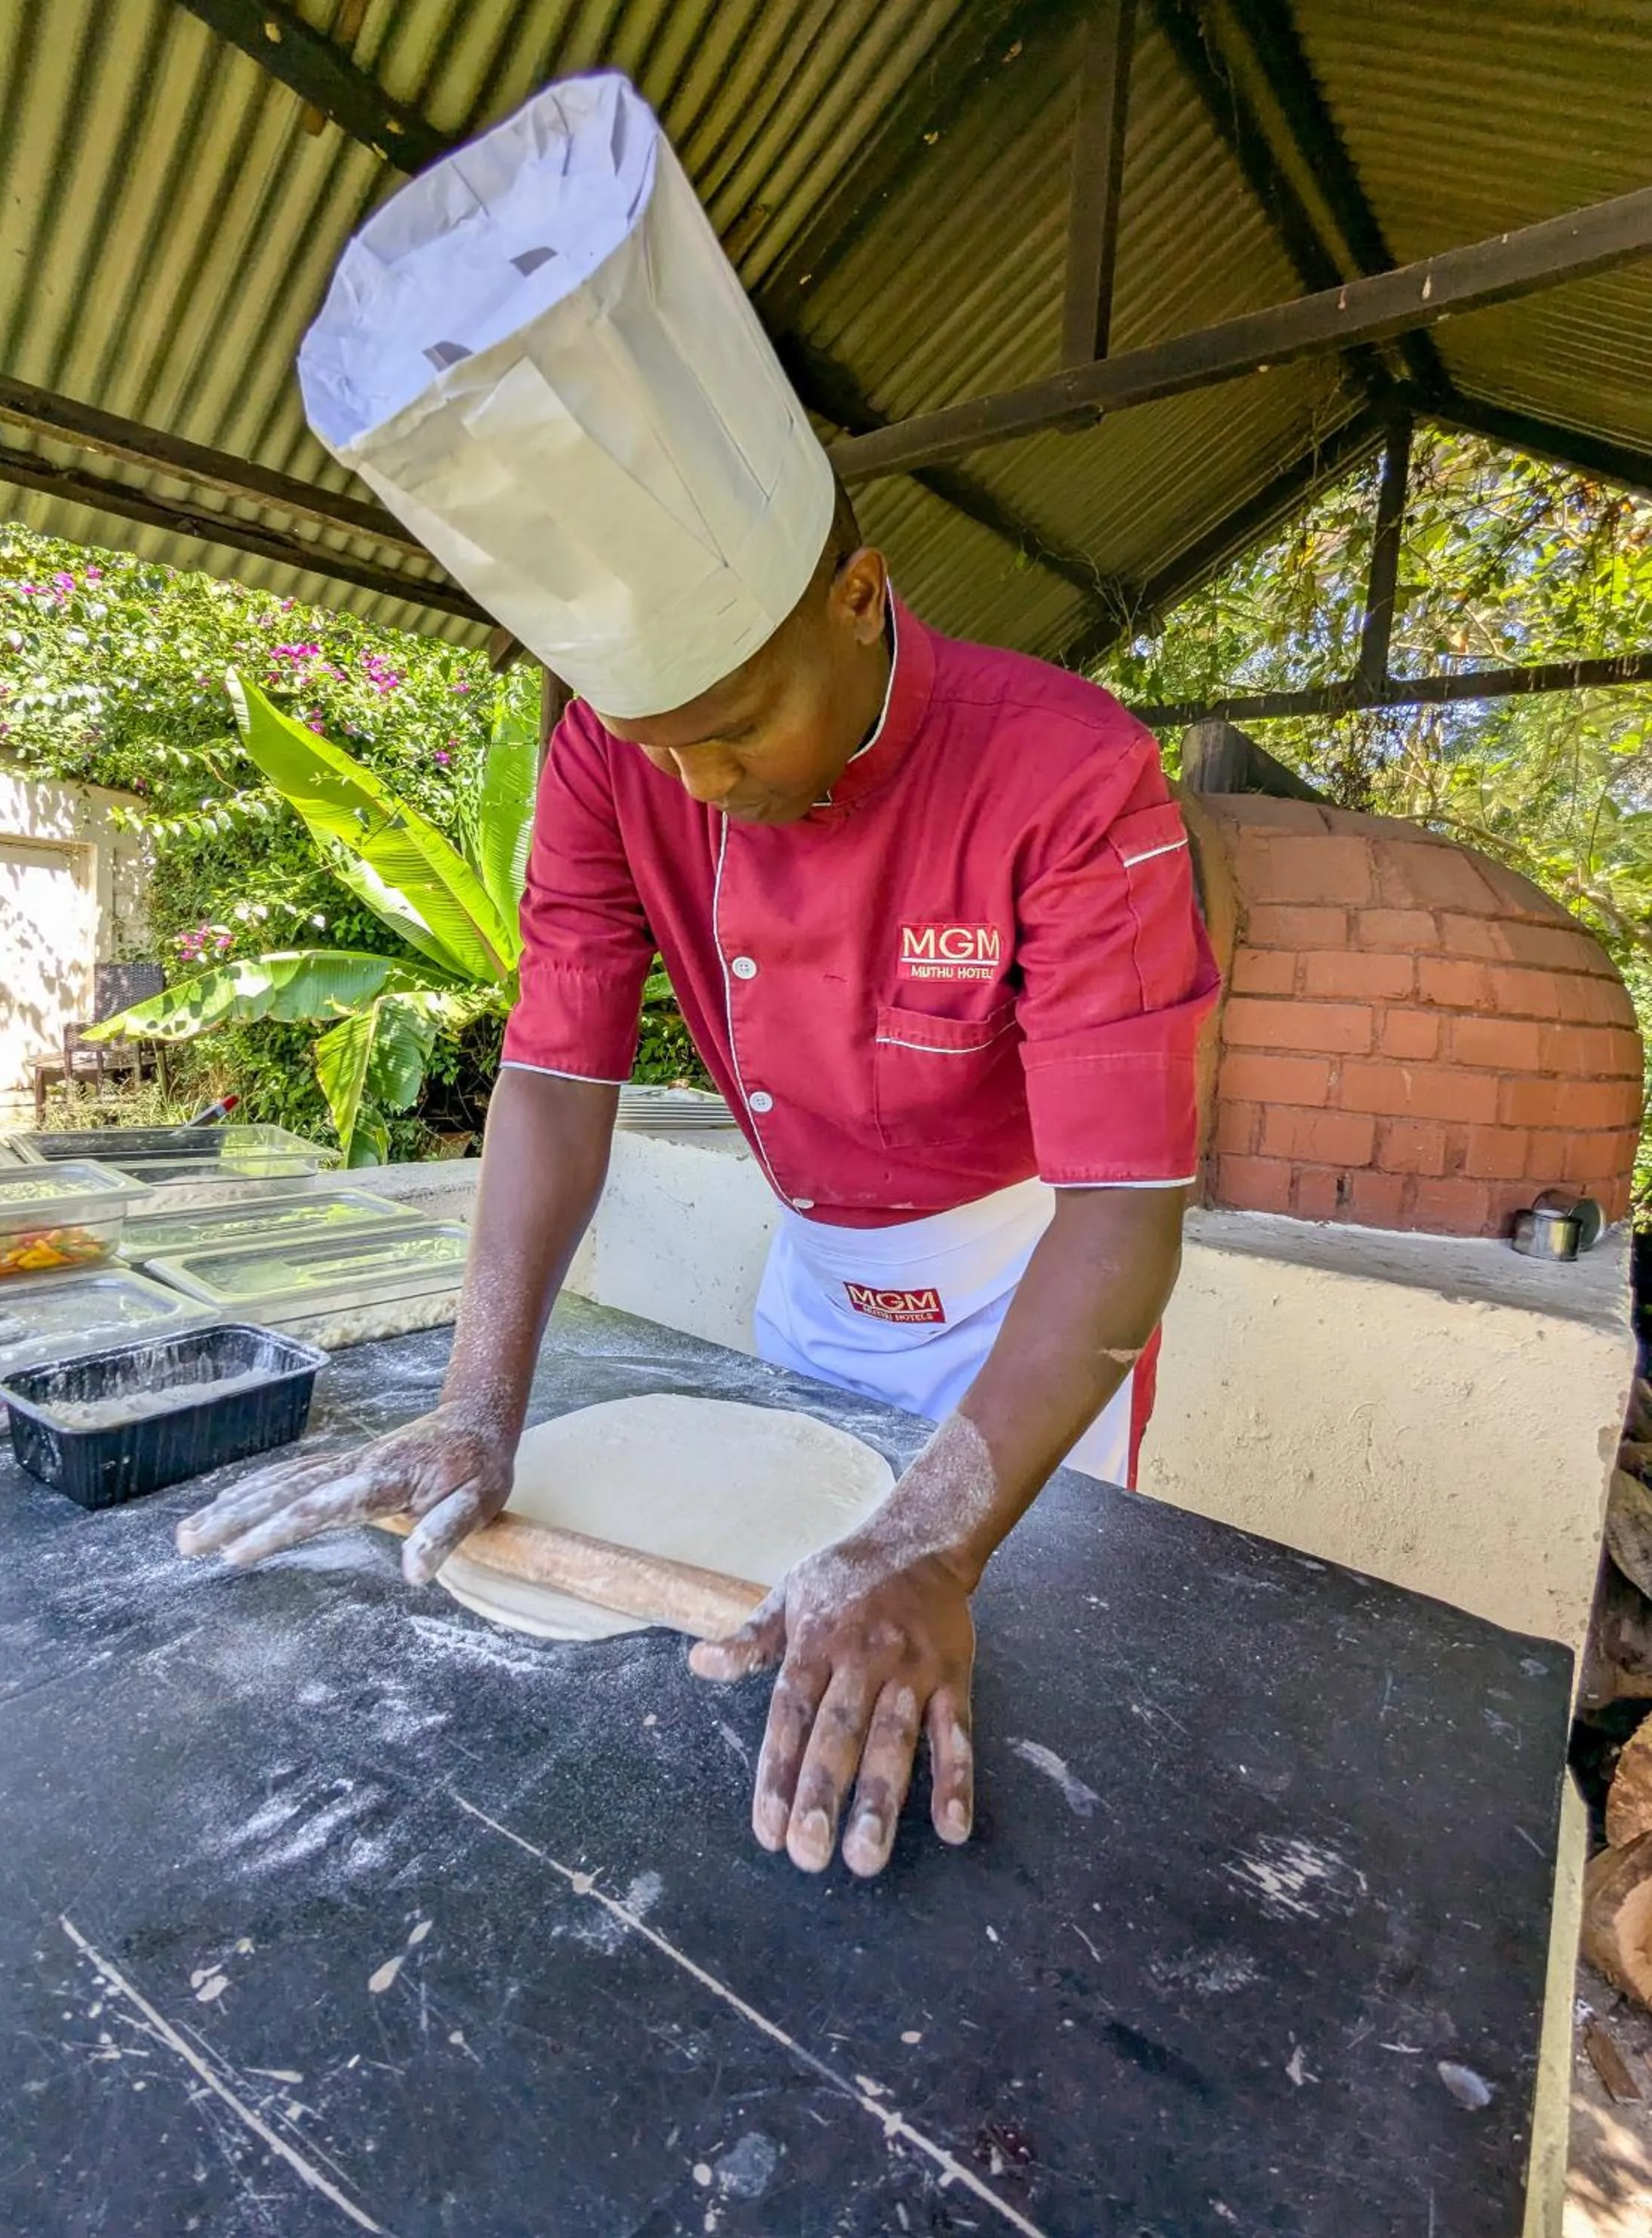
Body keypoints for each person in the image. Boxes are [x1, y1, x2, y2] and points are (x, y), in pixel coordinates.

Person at [180, 74, 1218, 1881]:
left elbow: (1125, 1203)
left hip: (1022, 1313)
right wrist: (474, 1403)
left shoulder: (1068, 770)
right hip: (815, 1291)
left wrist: (943, 1540)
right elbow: (557, 1074)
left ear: (858, 594)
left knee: (1001, 1766)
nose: (707, 782)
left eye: (737, 724)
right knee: (741, 1710)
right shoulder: (609, 764)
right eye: (663, 747)